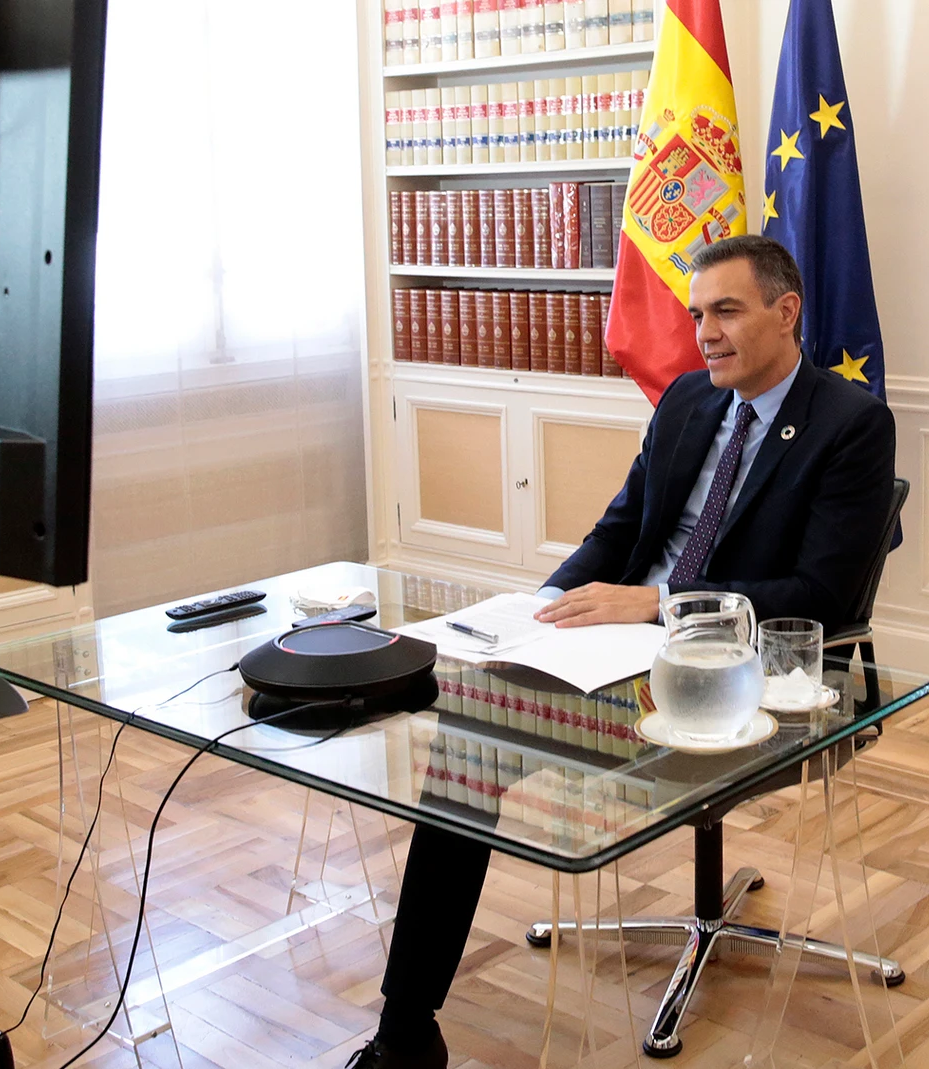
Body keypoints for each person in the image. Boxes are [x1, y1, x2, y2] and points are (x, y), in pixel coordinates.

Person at [346, 234, 898, 1069]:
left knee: (482, 742)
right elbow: (617, 533)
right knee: (466, 740)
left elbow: (820, 596)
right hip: (617, 654)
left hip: (746, 680)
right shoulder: (684, 401)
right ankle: (405, 1031)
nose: (705, 332)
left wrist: (665, 605)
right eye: (697, 313)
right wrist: (535, 611)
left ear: (787, 313)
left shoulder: (850, 426)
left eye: (726, 311)